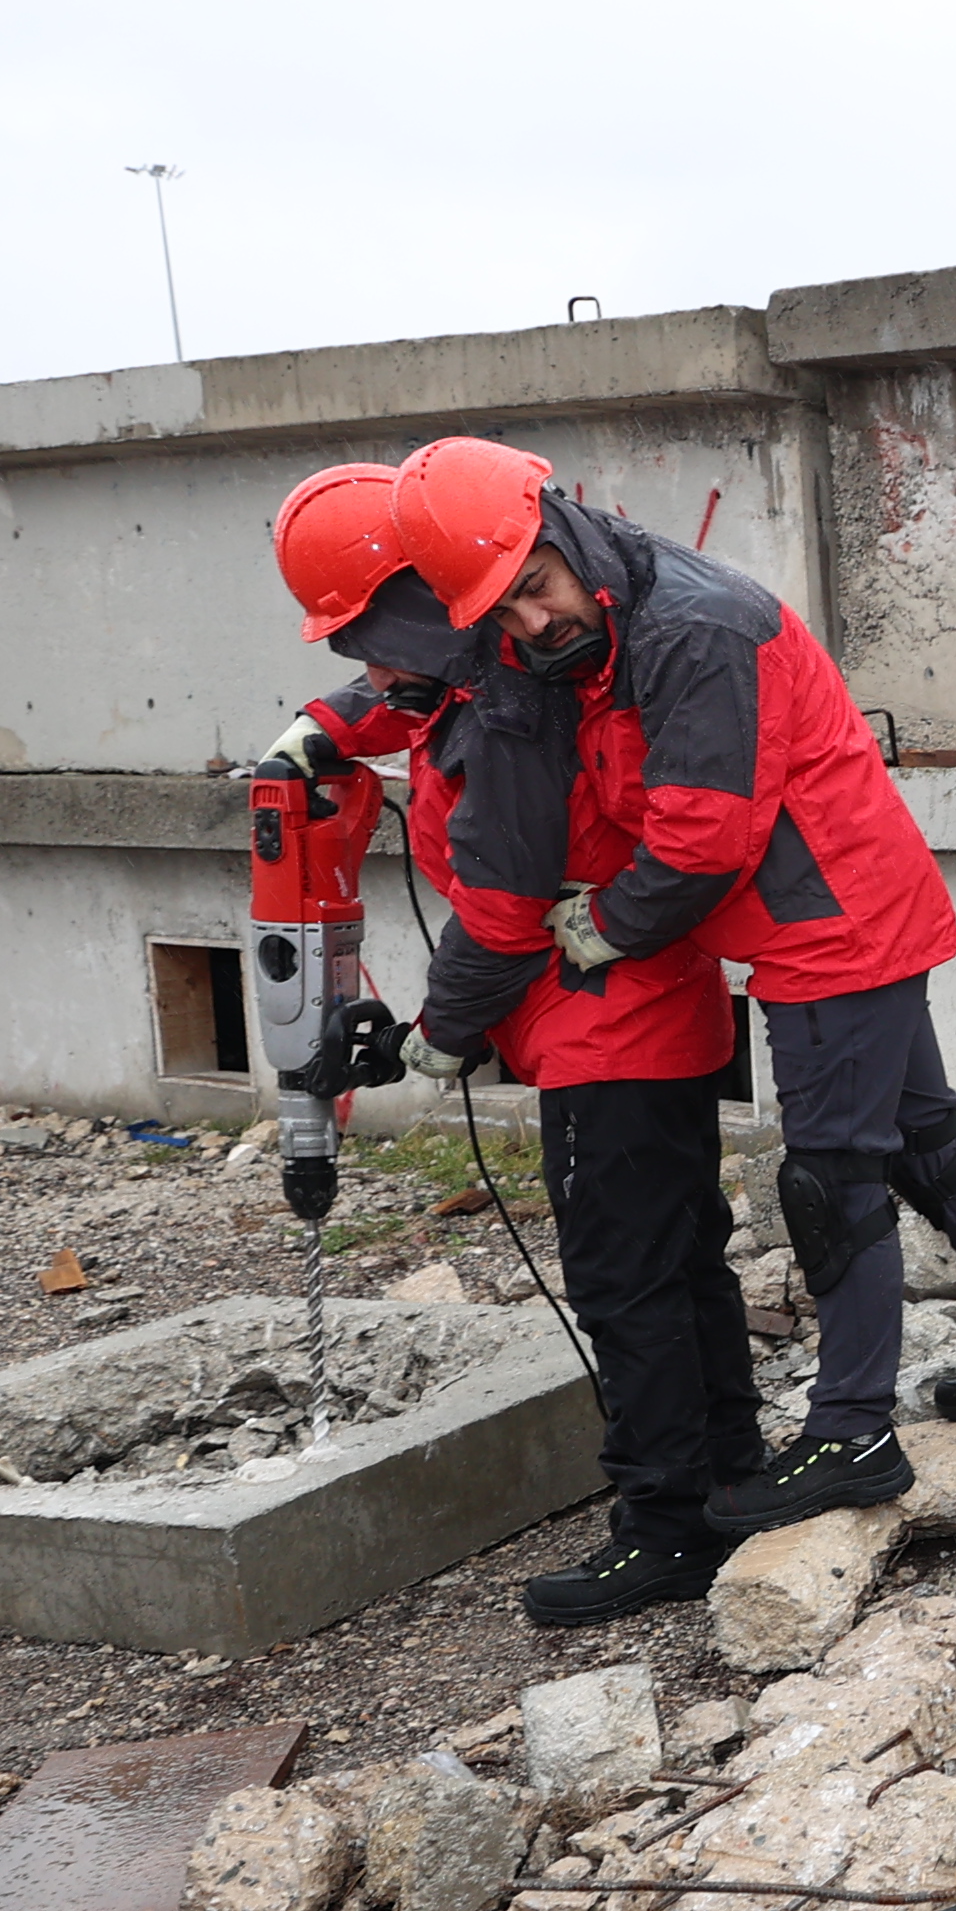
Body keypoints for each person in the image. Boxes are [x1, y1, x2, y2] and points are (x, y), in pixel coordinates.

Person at [382, 438, 956, 1531]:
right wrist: (337, 724)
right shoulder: (607, 623)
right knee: (927, 1144)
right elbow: (450, 689)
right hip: (846, 912)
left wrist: (609, 926)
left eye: (535, 590)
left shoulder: (695, 627)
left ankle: (851, 1433)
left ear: (563, 529)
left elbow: (704, 839)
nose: (532, 625)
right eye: (505, 615)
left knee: (832, 1183)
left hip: (830, 931)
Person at [260, 463, 766, 1627]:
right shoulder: (480, 667)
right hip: (640, 1013)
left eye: (369, 643)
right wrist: (324, 729)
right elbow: (405, 699)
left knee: (625, 1279)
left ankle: (666, 1529)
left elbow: (495, 915)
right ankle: (730, 1473)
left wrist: (438, 1040)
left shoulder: (509, 725)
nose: (369, 672)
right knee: (683, 1255)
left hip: (612, 1029)